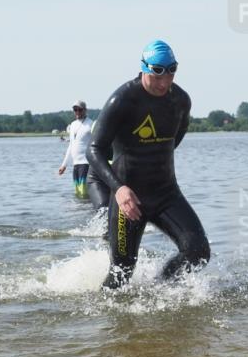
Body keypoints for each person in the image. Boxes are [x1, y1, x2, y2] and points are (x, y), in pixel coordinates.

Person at [89, 40, 210, 289]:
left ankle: (159, 290)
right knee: (121, 273)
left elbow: (174, 140)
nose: (165, 83)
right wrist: (119, 189)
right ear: (144, 68)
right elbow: (94, 150)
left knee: (198, 252)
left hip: (166, 194)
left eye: (171, 72)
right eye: (157, 74)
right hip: (129, 199)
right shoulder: (123, 100)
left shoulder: (180, 101)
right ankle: (99, 318)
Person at [59, 100, 110, 210]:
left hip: (86, 163)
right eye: (75, 109)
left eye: (80, 109)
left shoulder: (91, 124)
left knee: (85, 192)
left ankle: (88, 211)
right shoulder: (72, 125)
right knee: (78, 192)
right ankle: (80, 212)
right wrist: (64, 165)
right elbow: (71, 146)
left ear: (85, 110)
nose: (77, 112)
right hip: (76, 164)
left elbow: (98, 144)